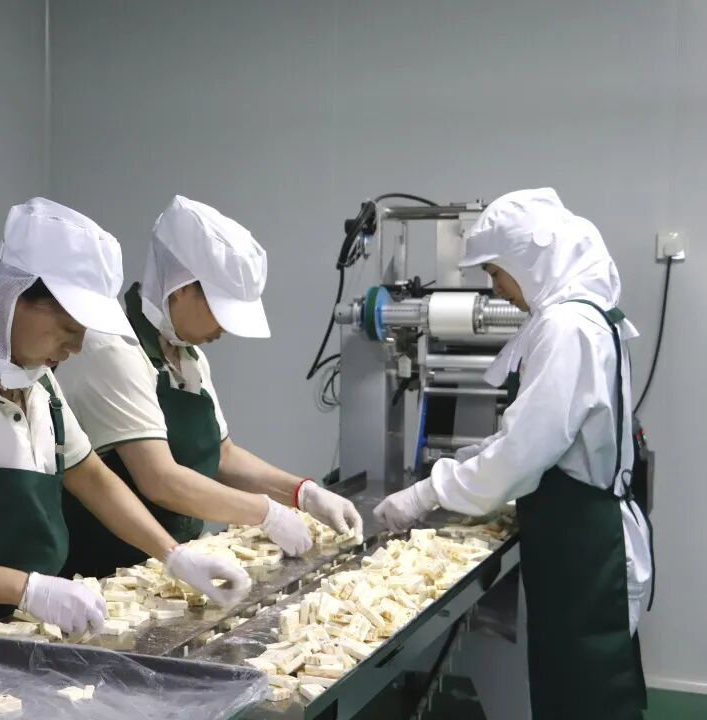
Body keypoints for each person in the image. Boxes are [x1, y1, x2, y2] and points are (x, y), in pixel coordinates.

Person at [0, 198, 251, 634]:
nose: (77, 348)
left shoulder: (38, 382)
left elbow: (92, 477)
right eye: (69, 329)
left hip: (26, 630)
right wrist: (28, 590)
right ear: (15, 296)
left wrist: (172, 554)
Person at [374, 188, 653, 719]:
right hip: (575, 542)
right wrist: (469, 459)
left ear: (528, 260)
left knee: (586, 699)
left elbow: (522, 457)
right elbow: (533, 433)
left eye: (497, 274)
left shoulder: (567, 328)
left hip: (586, 551)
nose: (497, 289)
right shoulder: (577, 316)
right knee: (571, 691)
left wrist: (427, 492)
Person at [58, 195, 364, 579]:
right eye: (221, 310)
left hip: (170, 564)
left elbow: (223, 455)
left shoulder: (189, 358)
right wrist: (265, 513)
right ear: (181, 288)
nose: (225, 329)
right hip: (106, 573)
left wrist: (303, 492)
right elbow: (159, 479)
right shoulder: (114, 350)